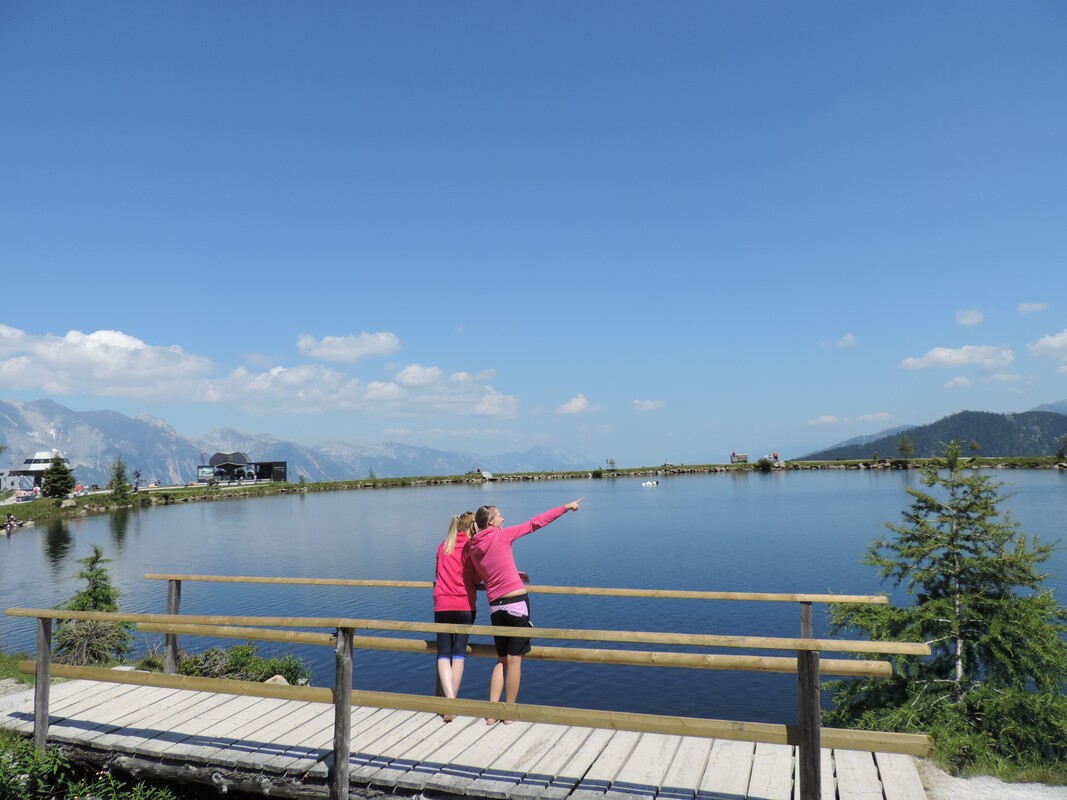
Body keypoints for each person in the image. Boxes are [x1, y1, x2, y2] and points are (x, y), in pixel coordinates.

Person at [468, 498, 583, 724]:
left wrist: (515, 573)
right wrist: (565, 508)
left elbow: (489, 573)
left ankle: (492, 713)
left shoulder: (473, 547)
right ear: (490, 522)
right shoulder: (502, 536)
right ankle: (509, 713)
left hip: (495, 606)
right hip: (516, 604)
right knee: (515, 661)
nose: (503, 519)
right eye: (499, 516)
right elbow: (534, 523)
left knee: (501, 659)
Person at [432, 511, 477, 722]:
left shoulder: (443, 546)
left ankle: (448, 701)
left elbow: (437, 573)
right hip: (465, 605)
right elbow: (476, 578)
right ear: (471, 528)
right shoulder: (471, 547)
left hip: (442, 605)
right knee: (459, 654)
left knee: (443, 654)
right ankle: (452, 703)